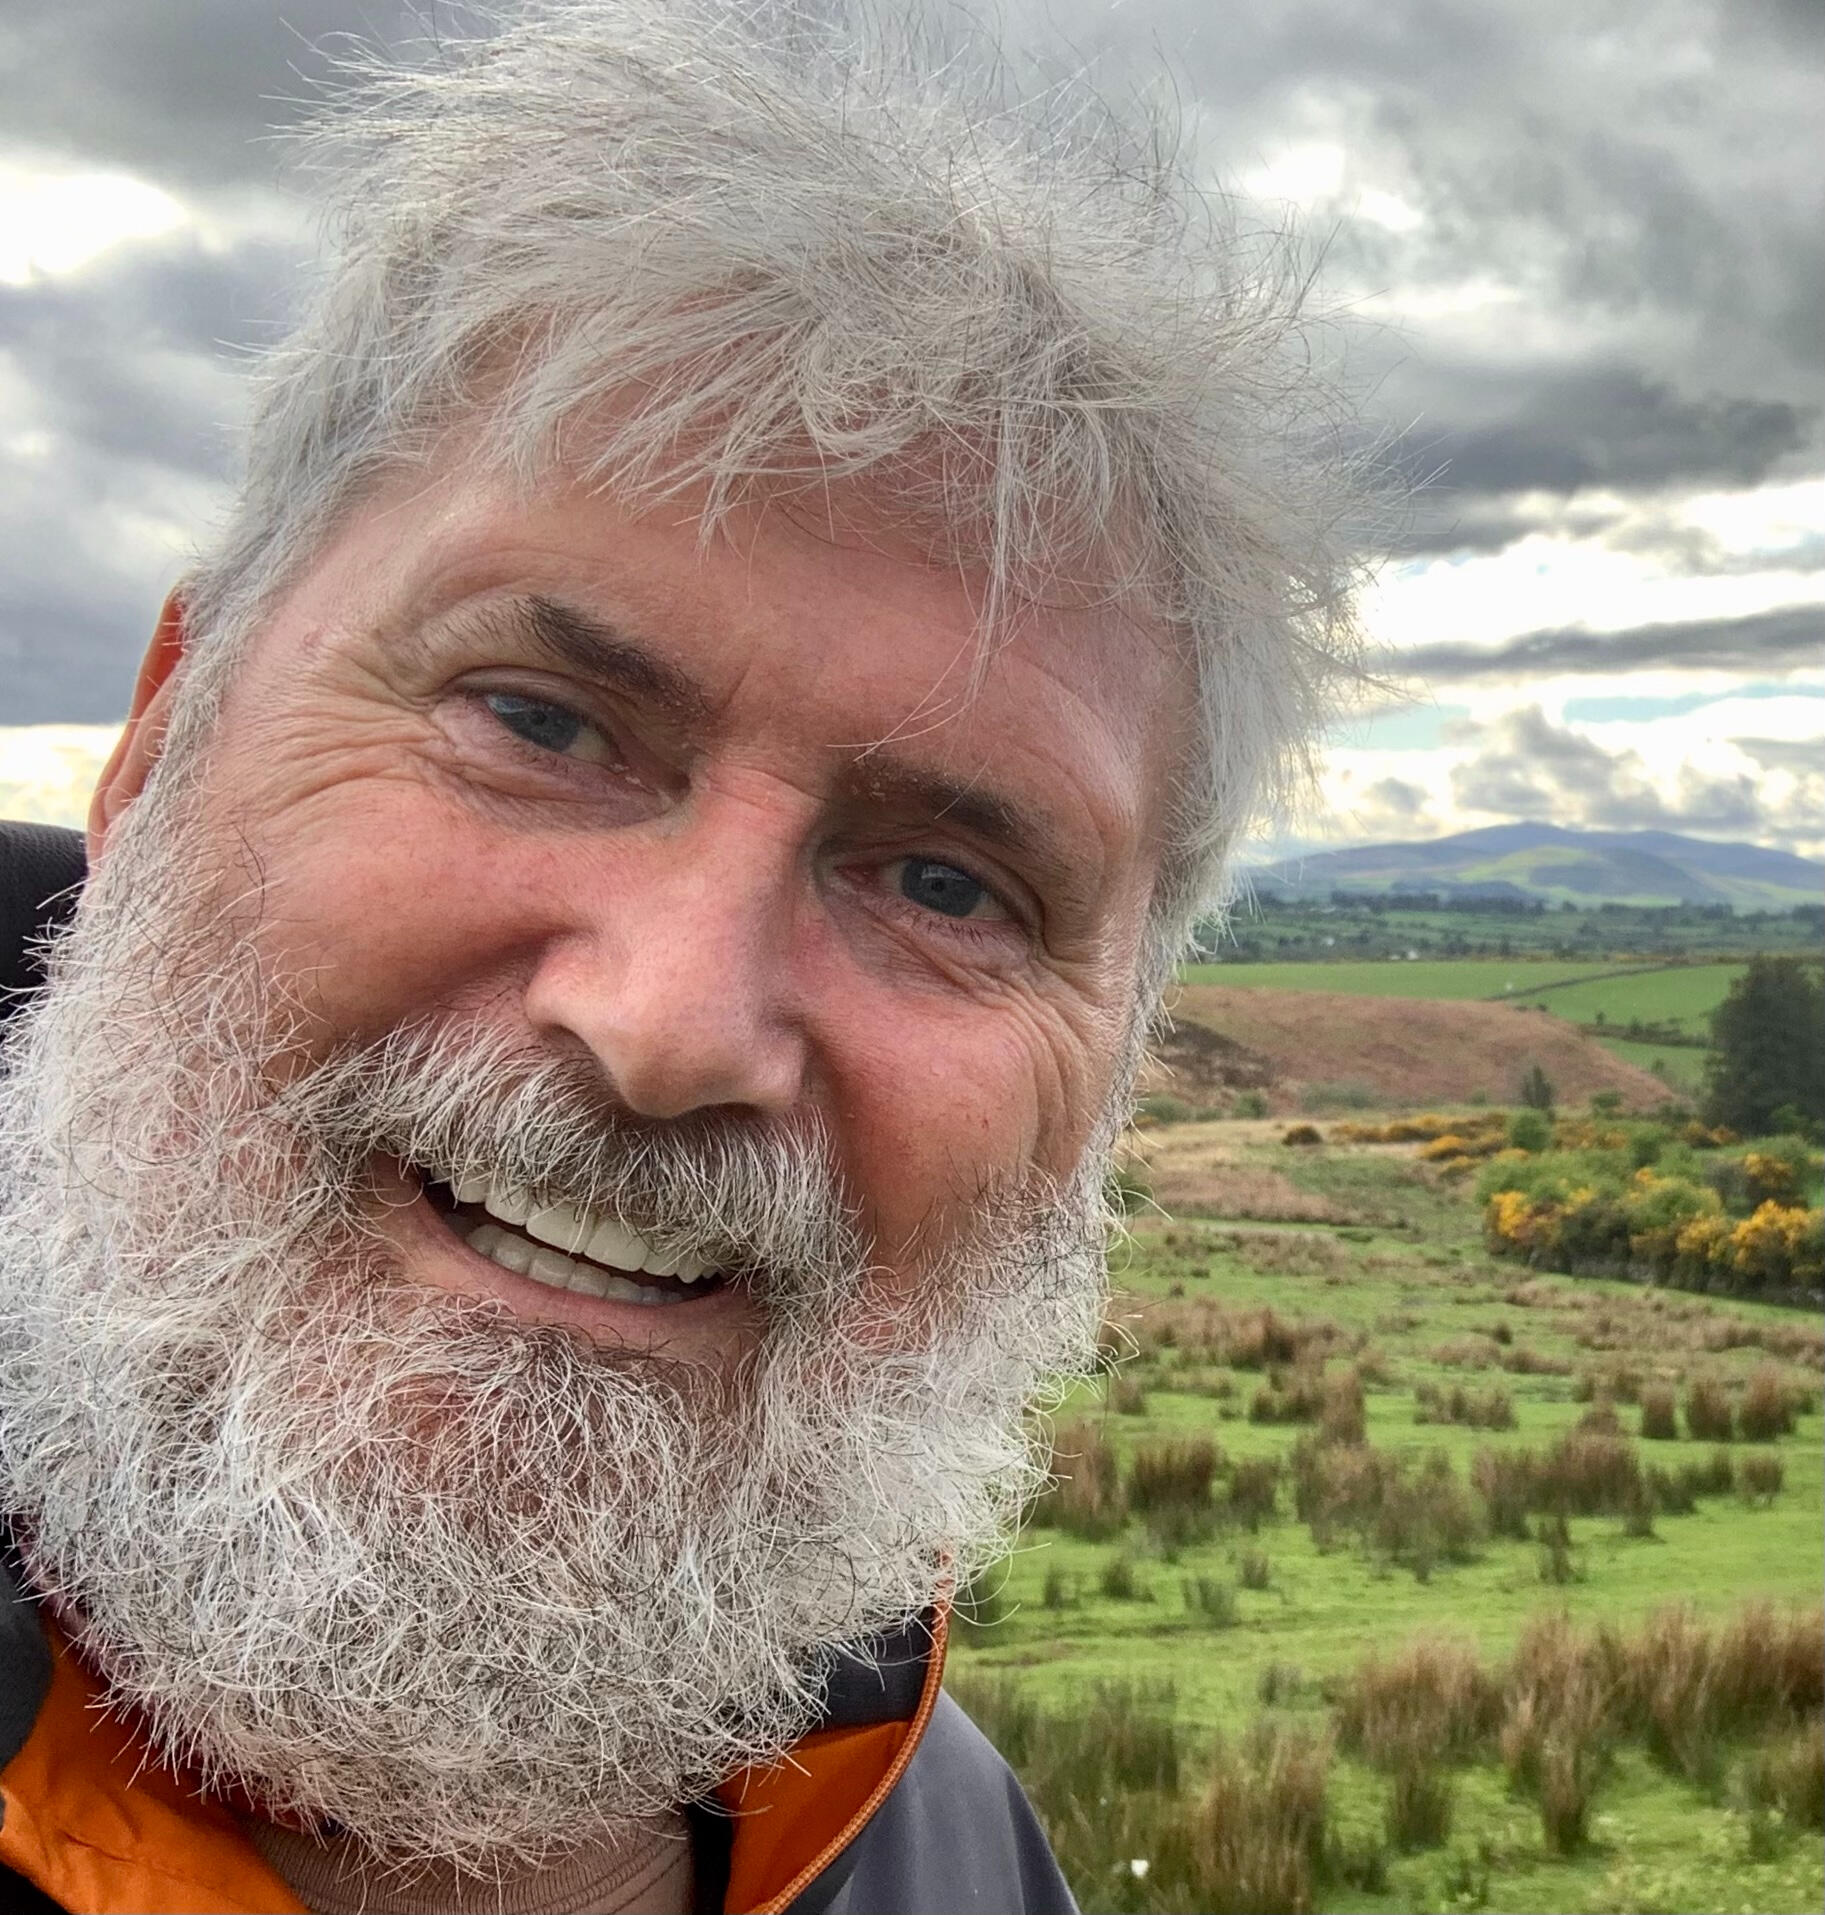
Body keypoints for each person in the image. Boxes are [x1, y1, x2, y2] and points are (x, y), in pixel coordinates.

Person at [0, 3, 1366, 1910]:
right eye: (539, 722)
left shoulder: (943, 1846)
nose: (667, 1025)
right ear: (158, 739)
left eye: (949, 885)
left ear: (1116, 1067)